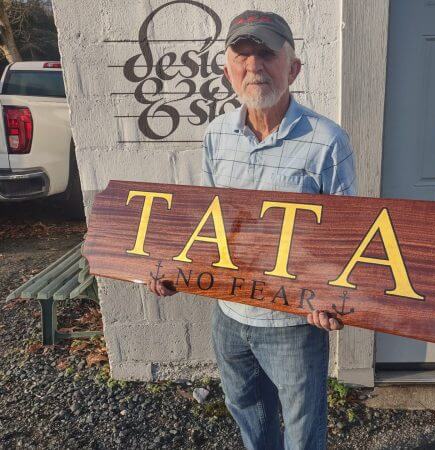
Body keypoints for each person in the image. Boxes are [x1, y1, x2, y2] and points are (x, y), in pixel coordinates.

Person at [148, 10, 357, 450]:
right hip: (229, 315)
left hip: (293, 324)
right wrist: (173, 270)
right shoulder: (216, 136)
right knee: (247, 412)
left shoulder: (327, 142)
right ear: (227, 71)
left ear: (292, 67)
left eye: (265, 53)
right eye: (241, 55)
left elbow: (346, 240)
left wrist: (333, 297)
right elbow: (208, 226)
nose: (254, 65)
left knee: (302, 428)